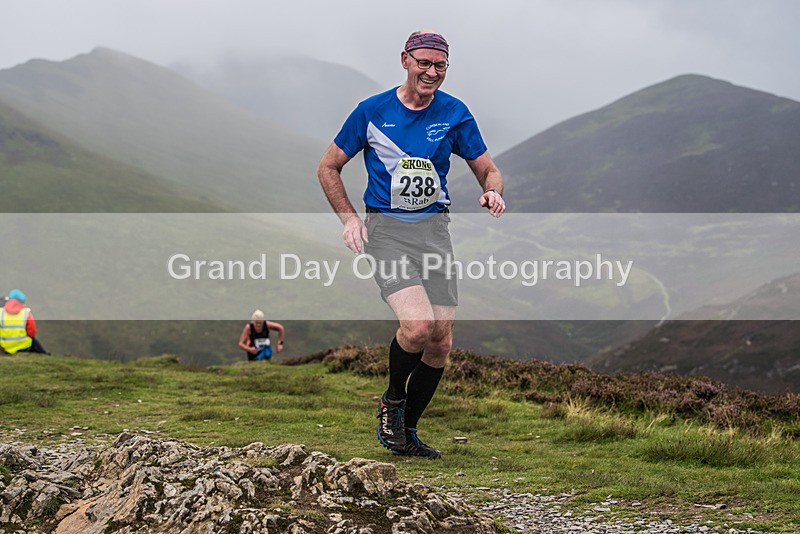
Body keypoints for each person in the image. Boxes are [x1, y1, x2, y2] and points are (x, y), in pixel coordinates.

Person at [317, 30, 506, 459]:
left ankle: (408, 432)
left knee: (440, 340)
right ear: (405, 59)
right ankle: (391, 401)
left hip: (434, 231)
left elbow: (488, 169)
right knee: (418, 327)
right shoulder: (371, 111)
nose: (431, 72)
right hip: (386, 231)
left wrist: (492, 190)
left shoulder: (455, 113)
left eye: (440, 66)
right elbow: (328, 166)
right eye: (424, 63)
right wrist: (349, 220)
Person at [0, 289, 49, 354]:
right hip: (23, 347)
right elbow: (32, 332)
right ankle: (44, 354)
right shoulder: (26, 313)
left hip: (5, 346)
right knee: (33, 340)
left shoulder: (1, 312)